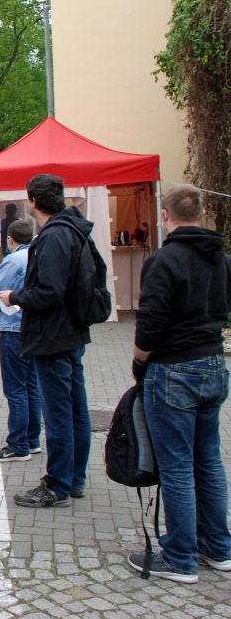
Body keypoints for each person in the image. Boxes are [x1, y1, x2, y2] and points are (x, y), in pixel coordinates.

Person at [126, 184, 231, 584]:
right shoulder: (221, 259)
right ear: (201, 212)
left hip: (174, 369)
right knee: (209, 461)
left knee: (177, 466)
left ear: (165, 215)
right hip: (212, 364)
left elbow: (150, 322)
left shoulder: (164, 260)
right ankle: (218, 548)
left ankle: (182, 556)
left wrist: (139, 362)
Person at [0, 174, 93, 508]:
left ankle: (58, 484)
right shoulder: (74, 230)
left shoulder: (54, 236)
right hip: (71, 332)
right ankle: (74, 479)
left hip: (54, 336)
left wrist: (15, 296)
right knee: (76, 412)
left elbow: (50, 292)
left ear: (33, 202)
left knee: (59, 415)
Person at [0, 220, 41, 462]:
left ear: (9, 239)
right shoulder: (37, 256)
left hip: (13, 328)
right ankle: (32, 439)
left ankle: (18, 444)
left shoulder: (14, 260)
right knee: (31, 386)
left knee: (15, 388)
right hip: (33, 328)